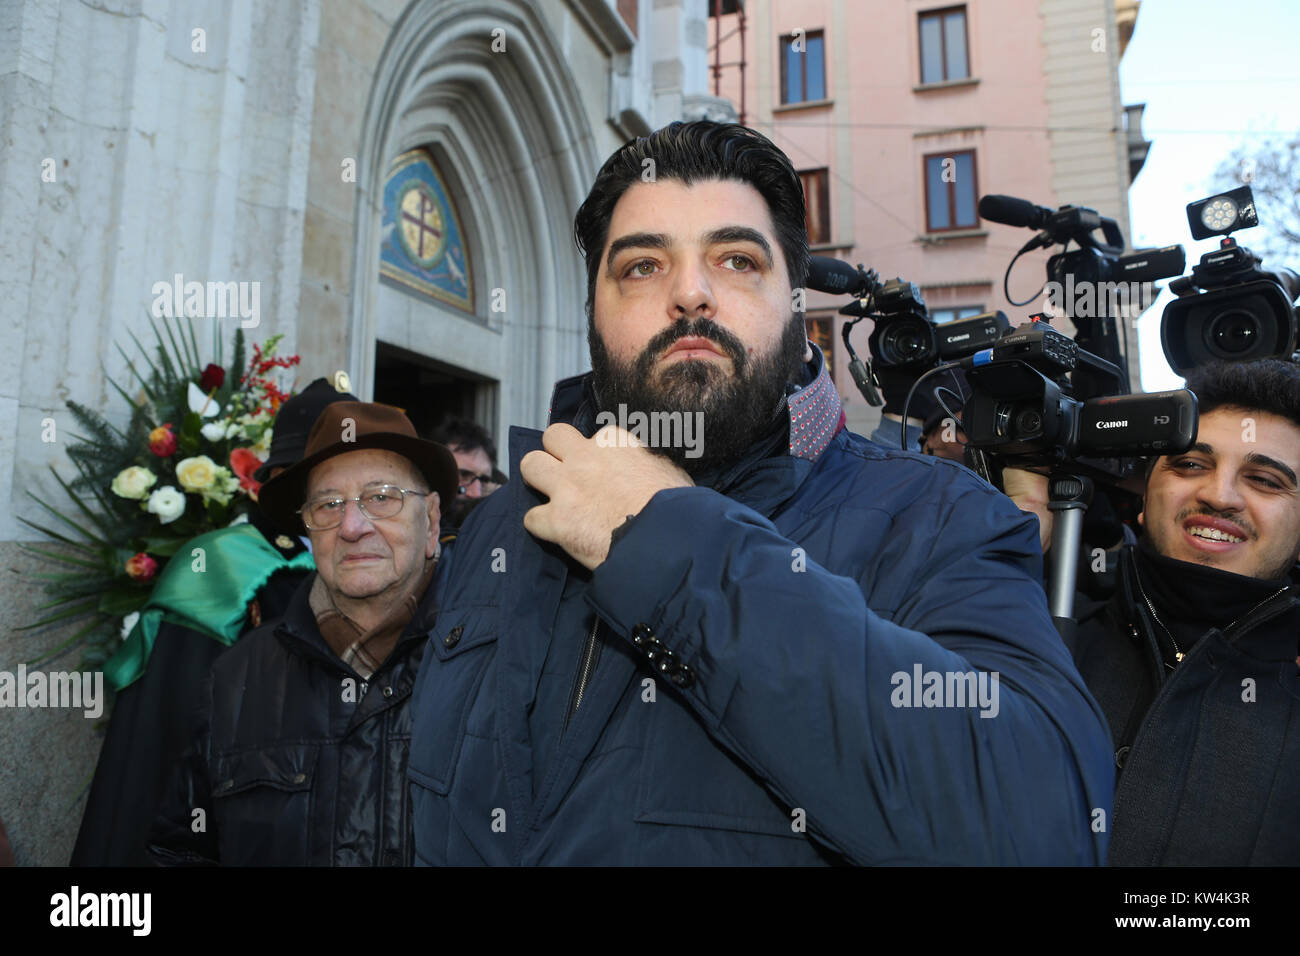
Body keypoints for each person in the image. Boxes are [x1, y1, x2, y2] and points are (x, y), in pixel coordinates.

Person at [406, 121, 1114, 865]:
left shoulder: (939, 523)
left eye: (737, 259)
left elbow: (1046, 827)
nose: (689, 293)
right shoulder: (498, 526)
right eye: (642, 266)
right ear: (593, 311)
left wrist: (668, 540)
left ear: (798, 307)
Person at [1012, 359, 1300, 865]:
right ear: (1144, 494)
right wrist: (1010, 552)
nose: (1218, 495)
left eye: (1265, 480)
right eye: (1190, 464)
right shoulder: (1032, 617)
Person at [148, 402, 458, 865]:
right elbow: (180, 851)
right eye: (329, 505)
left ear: (431, 521)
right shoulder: (237, 679)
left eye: (382, 497)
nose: (353, 527)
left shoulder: (493, 663)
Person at [70, 376, 355, 866]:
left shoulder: (361, 565)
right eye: (331, 479)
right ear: (283, 477)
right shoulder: (220, 565)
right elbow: (165, 745)